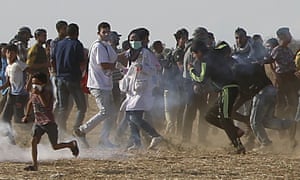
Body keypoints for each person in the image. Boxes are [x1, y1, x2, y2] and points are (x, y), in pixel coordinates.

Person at [188, 40, 245, 154]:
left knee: (224, 118)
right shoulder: (215, 51)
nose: (194, 57)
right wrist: (212, 48)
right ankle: (235, 131)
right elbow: (225, 46)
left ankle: (238, 146)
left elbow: (201, 79)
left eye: (194, 54)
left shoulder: (205, 61)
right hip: (228, 89)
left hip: (228, 88)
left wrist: (191, 70)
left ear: (199, 52)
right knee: (209, 116)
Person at [22, 72, 79, 171]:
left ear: (43, 83)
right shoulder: (33, 91)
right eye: (33, 83)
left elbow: (45, 104)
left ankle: (71, 144)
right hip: (38, 122)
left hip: (48, 122)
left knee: (55, 146)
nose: (35, 85)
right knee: (34, 142)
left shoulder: (47, 92)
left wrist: (39, 94)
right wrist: (26, 115)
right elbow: (30, 102)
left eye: (37, 83)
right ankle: (35, 165)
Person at [74, 22, 118, 148]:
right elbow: (104, 65)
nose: (106, 34)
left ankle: (104, 138)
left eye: (108, 32)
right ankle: (82, 130)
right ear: (99, 33)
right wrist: (117, 66)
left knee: (111, 112)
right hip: (98, 84)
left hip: (106, 83)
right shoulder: (98, 46)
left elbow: (114, 59)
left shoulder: (107, 46)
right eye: (104, 32)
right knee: (105, 111)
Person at [119, 29, 163, 150]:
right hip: (133, 90)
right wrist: (124, 70)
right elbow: (131, 71)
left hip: (143, 89)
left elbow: (154, 69)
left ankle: (155, 135)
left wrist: (143, 67)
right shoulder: (131, 55)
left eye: (136, 40)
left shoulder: (146, 53)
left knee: (133, 116)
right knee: (129, 114)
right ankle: (136, 142)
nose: (133, 42)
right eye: (131, 40)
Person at [263, 27, 299, 146]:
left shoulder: (288, 50)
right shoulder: (277, 50)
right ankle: (281, 130)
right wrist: (275, 77)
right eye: (288, 34)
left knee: (292, 106)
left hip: (291, 79)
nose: (290, 37)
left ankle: (291, 134)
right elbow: (269, 62)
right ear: (282, 37)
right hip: (282, 80)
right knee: (281, 106)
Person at [52, 23, 87, 135]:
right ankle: (76, 129)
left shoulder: (58, 44)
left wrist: (56, 72)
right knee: (81, 107)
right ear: (77, 33)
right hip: (72, 78)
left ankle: (61, 131)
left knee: (63, 107)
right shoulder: (77, 44)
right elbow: (81, 62)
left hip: (59, 78)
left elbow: (53, 60)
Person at [182, 27, 211, 143]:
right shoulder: (192, 50)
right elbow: (192, 68)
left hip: (198, 83)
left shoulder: (196, 48)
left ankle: (201, 138)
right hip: (192, 83)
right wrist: (196, 84)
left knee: (203, 111)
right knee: (191, 111)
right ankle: (186, 139)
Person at [0, 44, 30, 144]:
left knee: (18, 118)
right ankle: (11, 139)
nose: (9, 55)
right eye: (8, 52)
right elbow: (8, 83)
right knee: (5, 118)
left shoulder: (19, 64)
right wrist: (1, 87)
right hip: (12, 94)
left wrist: (28, 85)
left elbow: (30, 73)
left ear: (16, 54)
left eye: (12, 53)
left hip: (20, 95)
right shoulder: (8, 67)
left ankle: (34, 129)